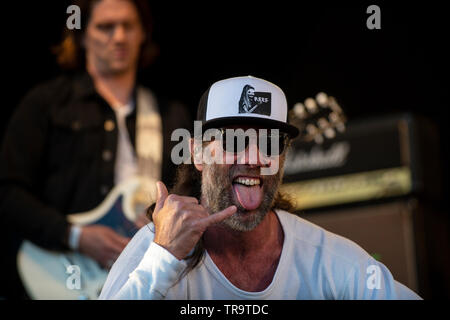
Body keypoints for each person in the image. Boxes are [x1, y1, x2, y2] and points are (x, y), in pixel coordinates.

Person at [99, 76, 421, 299]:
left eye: (270, 142)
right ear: (197, 153)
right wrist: (164, 259)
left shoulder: (329, 260)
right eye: (232, 140)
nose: (254, 157)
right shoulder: (155, 248)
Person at [0, 0, 191, 299]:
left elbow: (187, 195)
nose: (118, 36)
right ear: (82, 35)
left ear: (143, 33)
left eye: (128, 26)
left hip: (139, 278)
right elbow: (8, 192)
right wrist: (75, 236)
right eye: (105, 27)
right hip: (59, 272)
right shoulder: (46, 104)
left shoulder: (170, 115)